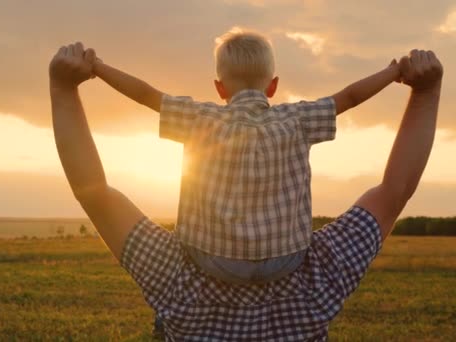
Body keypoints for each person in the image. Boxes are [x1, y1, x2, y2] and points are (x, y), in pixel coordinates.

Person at [49, 42, 443, 340]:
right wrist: (412, 83)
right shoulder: (319, 280)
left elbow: (95, 190)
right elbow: (395, 188)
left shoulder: (174, 280)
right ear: (273, 86)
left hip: (202, 264)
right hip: (291, 265)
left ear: (220, 88)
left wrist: (78, 78)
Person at [92, 27, 401, 286]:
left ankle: (166, 317)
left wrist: (98, 67)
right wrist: (392, 72)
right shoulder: (298, 119)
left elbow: (146, 95)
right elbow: (349, 97)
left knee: (184, 240)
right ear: (273, 85)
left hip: (212, 257)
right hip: (286, 257)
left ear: (219, 88)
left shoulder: (200, 118)